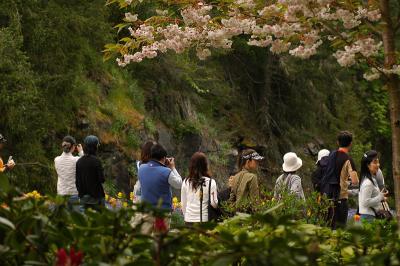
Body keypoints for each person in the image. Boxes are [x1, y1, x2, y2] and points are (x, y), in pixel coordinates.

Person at [138, 144, 182, 233]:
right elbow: (179, 184)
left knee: (146, 239)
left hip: (146, 211)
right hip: (162, 213)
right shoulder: (166, 172)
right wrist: (172, 167)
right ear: (164, 158)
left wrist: (163, 165)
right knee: (160, 241)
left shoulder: (141, 168)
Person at [321, 131, 359, 229]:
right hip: (340, 198)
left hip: (327, 197)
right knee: (339, 230)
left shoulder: (330, 156)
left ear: (338, 142)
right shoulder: (348, 159)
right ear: (350, 143)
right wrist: (347, 181)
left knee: (327, 227)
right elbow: (355, 181)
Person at [181, 152, 218, 224]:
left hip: (189, 220)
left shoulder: (185, 182)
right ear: (205, 165)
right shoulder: (211, 182)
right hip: (204, 220)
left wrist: (187, 217)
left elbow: (183, 204)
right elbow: (214, 204)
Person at [76, 135, 105, 211]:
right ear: (95, 147)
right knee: (100, 220)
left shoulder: (79, 161)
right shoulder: (96, 161)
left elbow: (77, 181)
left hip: (83, 197)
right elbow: (102, 179)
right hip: (96, 197)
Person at [358, 150, 389, 221]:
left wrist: (381, 197)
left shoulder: (370, 179)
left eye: (378, 162)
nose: (378, 165)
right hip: (368, 217)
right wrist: (380, 197)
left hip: (370, 216)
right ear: (367, 165)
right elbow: (365, 202)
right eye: (375, 162)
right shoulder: (368, 182)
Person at [54, 136, 83, 210]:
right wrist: (81, 151)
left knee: (63, 219)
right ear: (73, 146)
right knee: (75, 219)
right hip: (73, 193)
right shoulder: (76, 160)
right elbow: (86, 164)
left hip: (61, 194)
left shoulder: (56, 160)